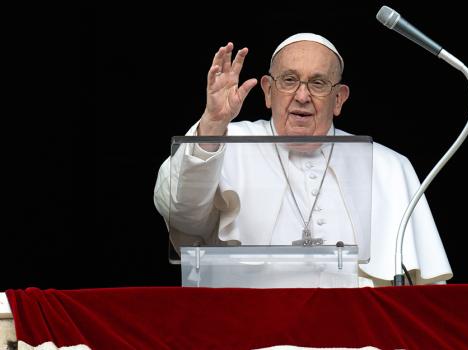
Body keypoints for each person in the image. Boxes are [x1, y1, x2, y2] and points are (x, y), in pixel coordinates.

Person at [154, 33, 452, 286]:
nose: (302, 95)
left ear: (339, 99)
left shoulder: (389, 167)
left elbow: (425, 290)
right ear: (268, 92)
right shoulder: (225, 142)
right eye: (289, 80)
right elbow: (182, 213)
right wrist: (213, 121)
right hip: (251, 332)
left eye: (318, 83)